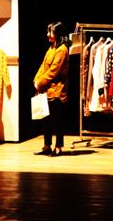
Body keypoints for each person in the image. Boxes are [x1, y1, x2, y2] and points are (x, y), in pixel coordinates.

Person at [33, 21, 70, 157]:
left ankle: (58, 147)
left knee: (57, 120)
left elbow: (53, 71)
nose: (48, 34)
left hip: (56, 91)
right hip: (46, 89)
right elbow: (43, 66)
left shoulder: (62, 50)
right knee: (46, 119)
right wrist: (36, 80)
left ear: (58, 34)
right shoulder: (52, 48)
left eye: (50, 32)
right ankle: (47, 146)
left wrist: (40, 82)